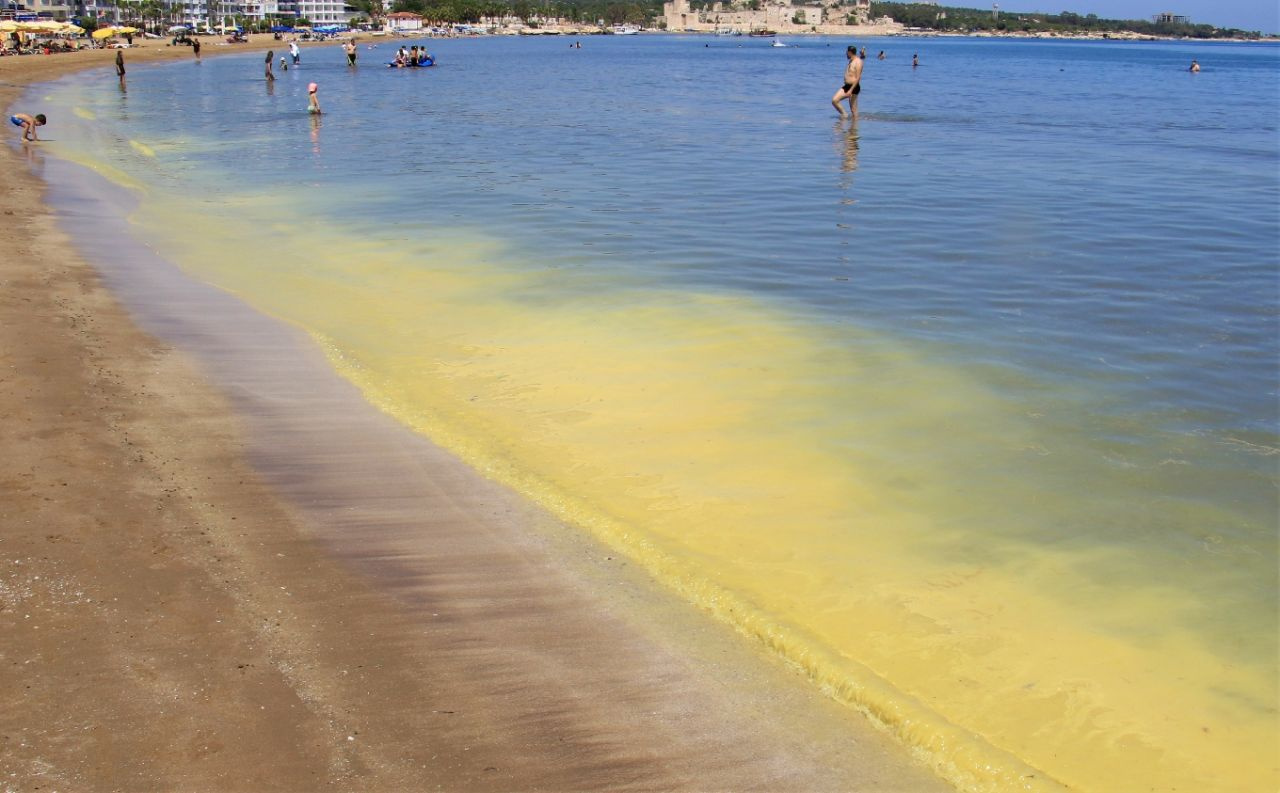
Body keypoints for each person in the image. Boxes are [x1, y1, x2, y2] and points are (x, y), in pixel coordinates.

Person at [831, 45, 863, 118]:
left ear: (849, 52)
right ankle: (844, 115)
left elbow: (858, 78)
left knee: (853, 110)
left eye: (846, 52)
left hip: (853, 87)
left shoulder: (858, 62)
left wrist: (850, 90)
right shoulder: (852, 60)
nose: (846, 54)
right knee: (834, 100)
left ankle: (854, 127)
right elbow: (862, 57)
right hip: (846, 86)